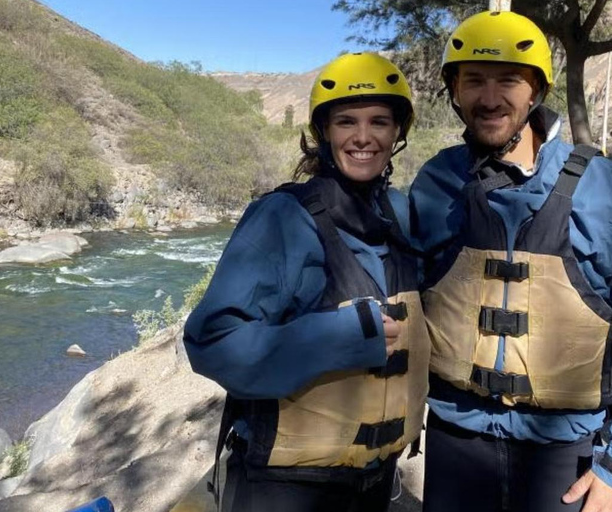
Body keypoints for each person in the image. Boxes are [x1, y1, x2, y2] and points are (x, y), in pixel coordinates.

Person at [409, 11, 612, 512]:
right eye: (473, 80)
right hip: (454, 450)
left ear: (535, 89)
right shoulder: (436, 182)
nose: (490, 98)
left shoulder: (606, 187)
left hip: (565, 456)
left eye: (509, 80)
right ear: (454, 90)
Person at [184, 52, 430, 512]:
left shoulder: (398, 213)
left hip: (374, 482)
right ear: (323, 133)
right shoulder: (280, 217)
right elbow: (211, 342)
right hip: (285, 489)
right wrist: (339, 336)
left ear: (397, 133)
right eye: (346, 122)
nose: (363, 137)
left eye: (379, 121)